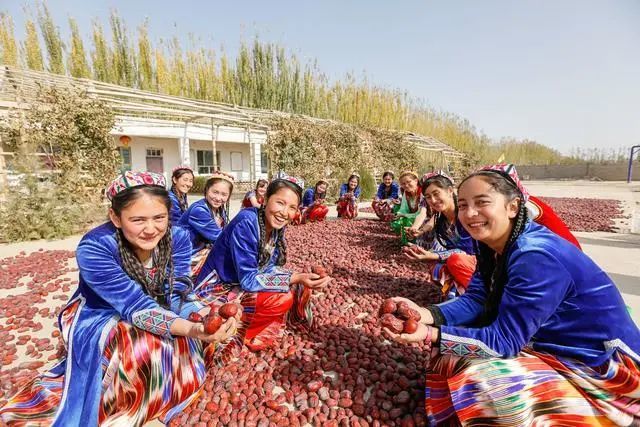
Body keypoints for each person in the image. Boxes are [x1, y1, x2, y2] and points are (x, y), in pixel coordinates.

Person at [386, 164, 640, 426]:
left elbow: (504, 341)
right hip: (550, 343)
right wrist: (424, 314)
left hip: (602, 367)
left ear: (513, 207)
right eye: (462, 205)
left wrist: (429, 333)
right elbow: (476, 298)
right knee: (450, 354)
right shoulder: (489, 244)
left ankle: (606, 416)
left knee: (486, 383)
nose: (470, 213)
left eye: (481, 202)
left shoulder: (535, 256)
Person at [0, 171, 237, 426]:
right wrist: (191, 327)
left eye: (159, 218)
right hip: (98, 313)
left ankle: (156, 390)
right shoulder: (95, 247)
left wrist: (202, 316)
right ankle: (125, 398)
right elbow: (134, 307)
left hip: (156, 304)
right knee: (142, 343)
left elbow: (178, 291)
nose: (150, 229)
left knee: (188, 335)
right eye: (137, 220)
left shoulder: (177, 238)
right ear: (115, 217)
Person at [194, 176, 331, 357]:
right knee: (283, 296)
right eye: (280, 203)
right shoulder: (247, 221)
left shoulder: (273, 226)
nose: (285, 212)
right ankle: (240, 335)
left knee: (294, 285)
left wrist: (300, 277)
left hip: (240, 281)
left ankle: (251, 327)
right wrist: (295, 277)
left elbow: (269, 265)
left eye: (292, 207)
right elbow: (249, 280)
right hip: (218, 287)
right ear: (265, 200)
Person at [403, 171, 475, 298]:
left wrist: (434, 255)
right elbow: (424, 216)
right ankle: (456, 290)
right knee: (436, 266)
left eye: (436, 194)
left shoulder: (466, 214)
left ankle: (479, 296)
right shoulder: (442, 220)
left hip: (482, 264)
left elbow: (468, 251)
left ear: (449, 191)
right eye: (428, 197)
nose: (433, 200)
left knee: (455, 260)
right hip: (465, 261)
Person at [178, 171, 234, 274]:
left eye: (224, 194)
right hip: (185, 254)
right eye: (215, 192)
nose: (218, 198)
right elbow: (219, 237)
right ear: (207, 190)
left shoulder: (219, 209)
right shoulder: (199, 210)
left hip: (201, 249)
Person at [390, 171, 423, 245]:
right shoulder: (406, 193)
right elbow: (403, 208)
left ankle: (415, 242)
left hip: (423, 219)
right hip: (412, 216)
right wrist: (398, 214)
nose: (406, 185)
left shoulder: (422, 193)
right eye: (403, 184)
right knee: (397, 220)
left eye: (408, 182)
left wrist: (404, 215)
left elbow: (421, 214)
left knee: (407, 220)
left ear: (416, 181)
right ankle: (407, 242)